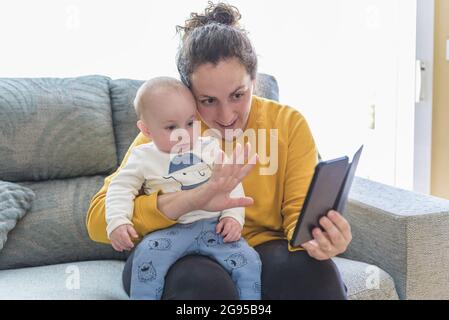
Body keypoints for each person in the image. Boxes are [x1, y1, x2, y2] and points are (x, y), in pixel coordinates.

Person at [86, 2, 352, 300]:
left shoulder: (288, 124)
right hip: (177, 251)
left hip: (257, 249)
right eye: (208, 100)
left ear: (255, 80)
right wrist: (190, 200)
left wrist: (323, 238)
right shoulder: (176, 127)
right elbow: (97, 221)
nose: (226, 116)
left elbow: (297, 218)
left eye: (238, 95)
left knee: (316, 272)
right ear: (189, 92)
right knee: (203, 282)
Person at [105, 77, 261, 300]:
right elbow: (120, 189)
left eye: (190, 123)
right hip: (167, 232)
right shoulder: (143, 156)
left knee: (250, 260)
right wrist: (117, 221)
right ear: (146, 130)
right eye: (171, 127)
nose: (185, 134)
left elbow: (231, 182)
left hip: (213, 229)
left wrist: (233, 217)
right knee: (145, 260)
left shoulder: (208, 146)